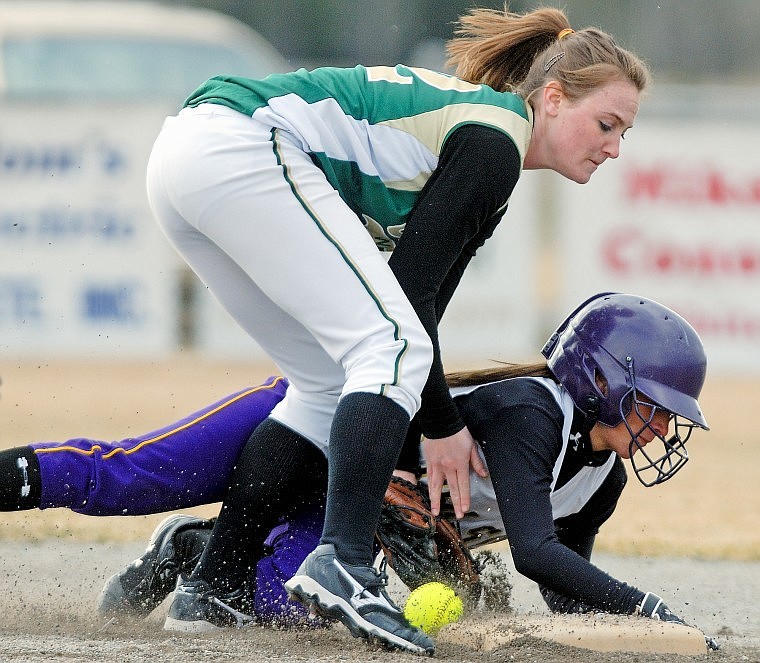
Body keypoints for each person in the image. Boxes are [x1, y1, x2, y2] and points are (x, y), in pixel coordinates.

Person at [141, 4, 650, 652]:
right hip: (233, 143)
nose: (613, 145)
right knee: (387, 345)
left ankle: (214, 584)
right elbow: (410, 306)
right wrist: (441, 425)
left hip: (192, 156)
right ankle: (343, 563)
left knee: (332, 378)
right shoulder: (496, 142)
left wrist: (437, 416)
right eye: (607, 123)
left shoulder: (492, 144)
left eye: (624, 133)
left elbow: (421, 307)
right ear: (552, 97)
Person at [0, 293, 710, 644]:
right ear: (602, 378)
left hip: (351, 502)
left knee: (280, 610)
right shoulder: (536, 413)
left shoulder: (599, 477)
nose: (666, 425)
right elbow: (535, 553)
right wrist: (655, 613)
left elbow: (566, 587)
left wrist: (629, 635)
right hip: (306, 424)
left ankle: (193, 547)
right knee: (131, 477)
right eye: (656, 403)